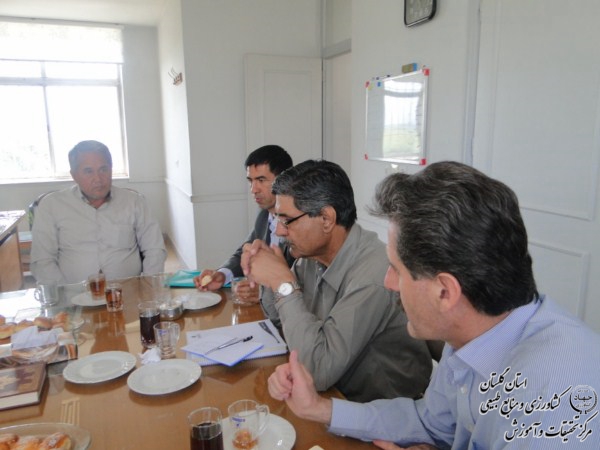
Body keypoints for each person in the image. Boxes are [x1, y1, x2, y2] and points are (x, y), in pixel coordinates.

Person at [267, 161, 600, 449]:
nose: (388, 282)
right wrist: (319, 408)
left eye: (397, 270)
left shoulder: (556, 397)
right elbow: (429, 422)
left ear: (445, 292)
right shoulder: (470, 334)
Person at [242, 159, 432, 402]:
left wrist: (282, 282)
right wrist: (270, 272)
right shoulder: (312, 255)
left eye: (286, 220)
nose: (279, 231)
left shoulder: (374, 275)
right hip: (334, 396)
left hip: (377, 409)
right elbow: (279, 318)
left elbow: (317, 371)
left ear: (326, 218)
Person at [31, 140, 166, 284]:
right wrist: (64, 293)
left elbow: (155, 249)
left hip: (128, 290)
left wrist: (148, 286)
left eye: (103, 169)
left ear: (111, 169)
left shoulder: (134, 202)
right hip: (73, 292)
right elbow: (42, 260)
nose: (98, 179)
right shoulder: (52, 205)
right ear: (74, 175)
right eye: (88, 171)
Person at [194, 145, 294, 307]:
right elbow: (244, 251)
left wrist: (267, 292)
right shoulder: (264, 214)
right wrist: (222, 274)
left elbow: (307, 283)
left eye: (261, 180)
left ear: (284, 181)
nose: (253, 189)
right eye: (250, 181)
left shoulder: (301, 221)